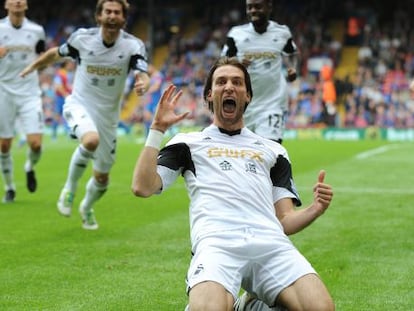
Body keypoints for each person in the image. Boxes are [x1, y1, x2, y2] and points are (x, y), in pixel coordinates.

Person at [131, 57, 335, 311]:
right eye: (221, 82)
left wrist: (315, 209)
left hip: (270, 244)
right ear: (209, 94)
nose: (229, 87)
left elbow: (285, 220)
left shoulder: (274, 151)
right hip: (217, 244)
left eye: (237, 82)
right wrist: (157, 128)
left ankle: (251, 304)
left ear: (248, 95)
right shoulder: (188, 143)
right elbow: (142, 186)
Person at [21, 0, 150, 230]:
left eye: (117, 13)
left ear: (124, 19)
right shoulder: (82, 38)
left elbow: (143, 72)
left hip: (108, 118)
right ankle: (69, 189)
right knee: (90, 140)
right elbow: (55, 54)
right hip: (80, 104)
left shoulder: (133, 45)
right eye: (107, 12)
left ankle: (86, 207)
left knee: (102, 179)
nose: (112, 16)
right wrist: (33, 66)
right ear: (98, 17)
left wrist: (143, 82)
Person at [221, 0, 298, 144]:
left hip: (273, 103)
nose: (252, 10)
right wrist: (236, 64)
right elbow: (222, 62)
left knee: (270, 151)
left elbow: (291, 53)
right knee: (241, 153)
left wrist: (292, 68)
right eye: (249, 7)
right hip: (244, 106)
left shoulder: (282, 32)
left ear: (269, 7)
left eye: (257, 6)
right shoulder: (236, 34)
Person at [0, 0, 46, 203]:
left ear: (26, 5)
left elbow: (43, 57)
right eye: (13, 0)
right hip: (4, 92)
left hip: (29, 93)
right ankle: (9, 187)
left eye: (21, 0)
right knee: (4, 145)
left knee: (35, 144)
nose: (17, 2)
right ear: (6, 5)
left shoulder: (37, 30)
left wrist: (40, 62)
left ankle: (29, 166)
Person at [51, 59, 75, 140]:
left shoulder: (67, 73)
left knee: (68, 115)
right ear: (66, 64)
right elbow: (58, 86)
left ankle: (68, 133)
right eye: (70, 64)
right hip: (60, 98)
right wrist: (66, 95)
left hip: (65, 97)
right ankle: (54, 134)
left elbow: (67, 85)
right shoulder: (60, 73)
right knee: (58, 115)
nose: (72, 65)